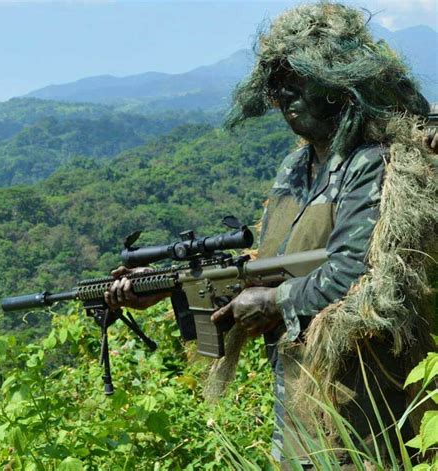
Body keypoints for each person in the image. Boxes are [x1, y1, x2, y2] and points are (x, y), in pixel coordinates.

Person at [106, 2, 437, 467]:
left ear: (337, 82)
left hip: (366, 402)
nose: (286, 97)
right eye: (278, 87)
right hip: (300, 393)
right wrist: (164, 287)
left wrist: (274, 303)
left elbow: (358, 276)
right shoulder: (296, 168)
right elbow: (267, 266)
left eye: (298, 81)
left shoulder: (374, 163)